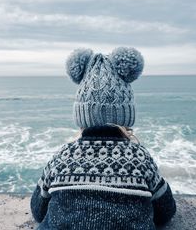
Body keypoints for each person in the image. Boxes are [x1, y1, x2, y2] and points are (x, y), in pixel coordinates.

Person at [30, 47, 176, 229]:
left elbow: (38, 210)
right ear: (126, 115)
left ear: (82, 116)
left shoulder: (63, 156)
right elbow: (166, 212)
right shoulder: (139, 157)